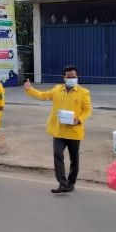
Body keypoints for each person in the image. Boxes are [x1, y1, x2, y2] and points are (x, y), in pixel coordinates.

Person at [24, 65, 92, 193]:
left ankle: (71, 183)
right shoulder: (57, 89)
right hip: (59, 130)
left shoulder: (84, 92)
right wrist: (30, 89)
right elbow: (42, 95)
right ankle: (62, 183)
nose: (71, 79)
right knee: (57, 155)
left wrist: (79, 119)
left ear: (77, 77)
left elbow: (87, 110)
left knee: (74, 159)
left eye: (74, 77)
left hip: (74, 131)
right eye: (69, 77)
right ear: (64, 78)